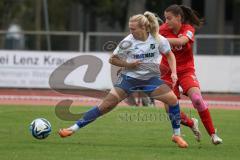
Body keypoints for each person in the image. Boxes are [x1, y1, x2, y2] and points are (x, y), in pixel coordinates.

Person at [59, 11, 188, 148]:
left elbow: (169, 55)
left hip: (150, 80)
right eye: (130, 28)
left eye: (133, 29)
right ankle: (72, 129)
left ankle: (176, 135)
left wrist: (174, 72)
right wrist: (128, 65)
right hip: (129, 79)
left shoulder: (158, 39)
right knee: (106, 106)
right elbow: (112, 59)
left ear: (143, 27)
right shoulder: (127, 42)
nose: (131, 31)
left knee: (173, 100)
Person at [159, 4, 222, 145]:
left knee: (197, 99)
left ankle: (213, 134)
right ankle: (191, 123)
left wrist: (160, 39)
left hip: (186, 70)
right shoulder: (162, 30)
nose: (166, 22)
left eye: (169, 18)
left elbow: (181, 41)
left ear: (178, 18)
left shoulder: (188, 29)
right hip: (167, 72)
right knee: (170, 109)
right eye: (165, 18)